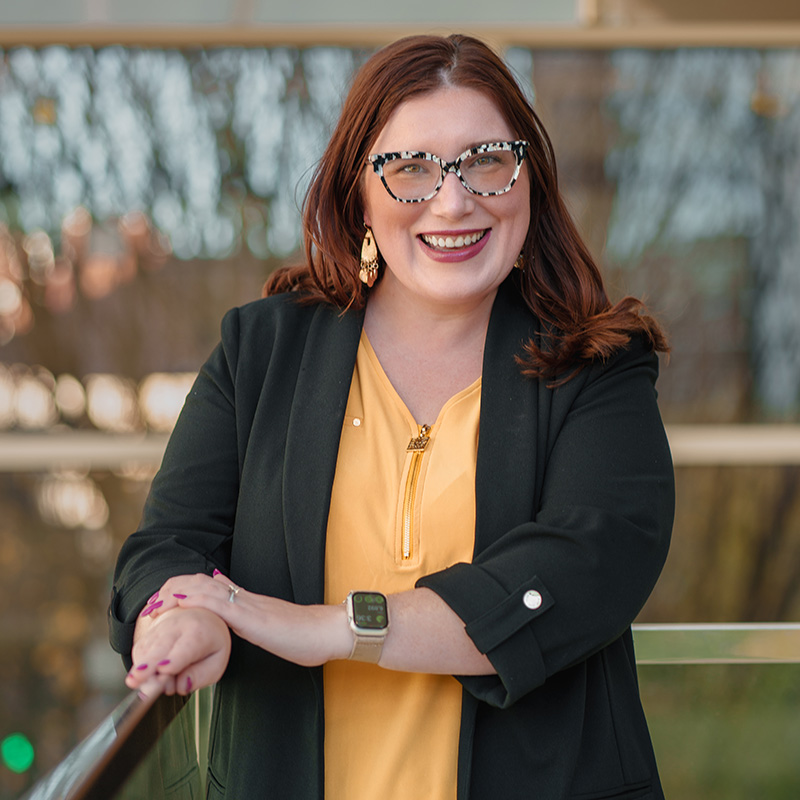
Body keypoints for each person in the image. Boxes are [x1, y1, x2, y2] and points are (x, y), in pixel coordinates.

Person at [110, 33, 674, 800]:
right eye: (409, 168)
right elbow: (166, 549)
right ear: (359, 196)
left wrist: (330, 627)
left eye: (485, 160)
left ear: (527, 179)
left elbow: (586, 566)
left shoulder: (600, 366)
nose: (453, 199)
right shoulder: (262, 349)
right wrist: (186, 618)